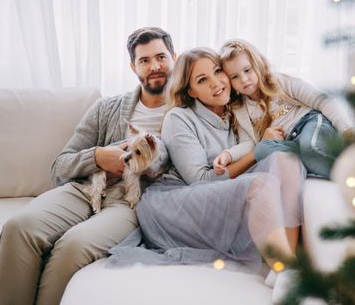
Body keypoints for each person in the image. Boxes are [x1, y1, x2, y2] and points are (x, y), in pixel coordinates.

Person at [0, 27, 176, 305]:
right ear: (132, 67)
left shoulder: (186, 114)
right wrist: (98, 157)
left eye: (161, 57)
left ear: (175, 57)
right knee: (18, 228)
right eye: (144, 60)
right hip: (84, 188)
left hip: (129, 203)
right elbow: (59, 166)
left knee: (74, 246)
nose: (155, 66)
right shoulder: (106, 108)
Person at [108, 47, 307, 303]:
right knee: (259, 184)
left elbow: (249, 152)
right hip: (178, 201)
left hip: (223, 190)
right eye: (202, 80)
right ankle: (286, 269)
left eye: (217, 72)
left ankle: (287, 265)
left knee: (286, 159)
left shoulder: (235, 111)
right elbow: (200, 181)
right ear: (190, 91)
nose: (216, 83)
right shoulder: (179, 118)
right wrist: (255, 153)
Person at [213, 39, 355, 179]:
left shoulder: (279, 82)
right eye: (235, 77)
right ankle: (314, 164)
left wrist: (346, 129)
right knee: (262, 150)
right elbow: (248, 143)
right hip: (289, 143)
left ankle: (353, 174)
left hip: (309, 123)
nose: (244, 80)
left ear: (257, 65)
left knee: (310, 149)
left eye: (247, 70)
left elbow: (322, 101)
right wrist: (228, 155)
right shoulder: (240, 110)